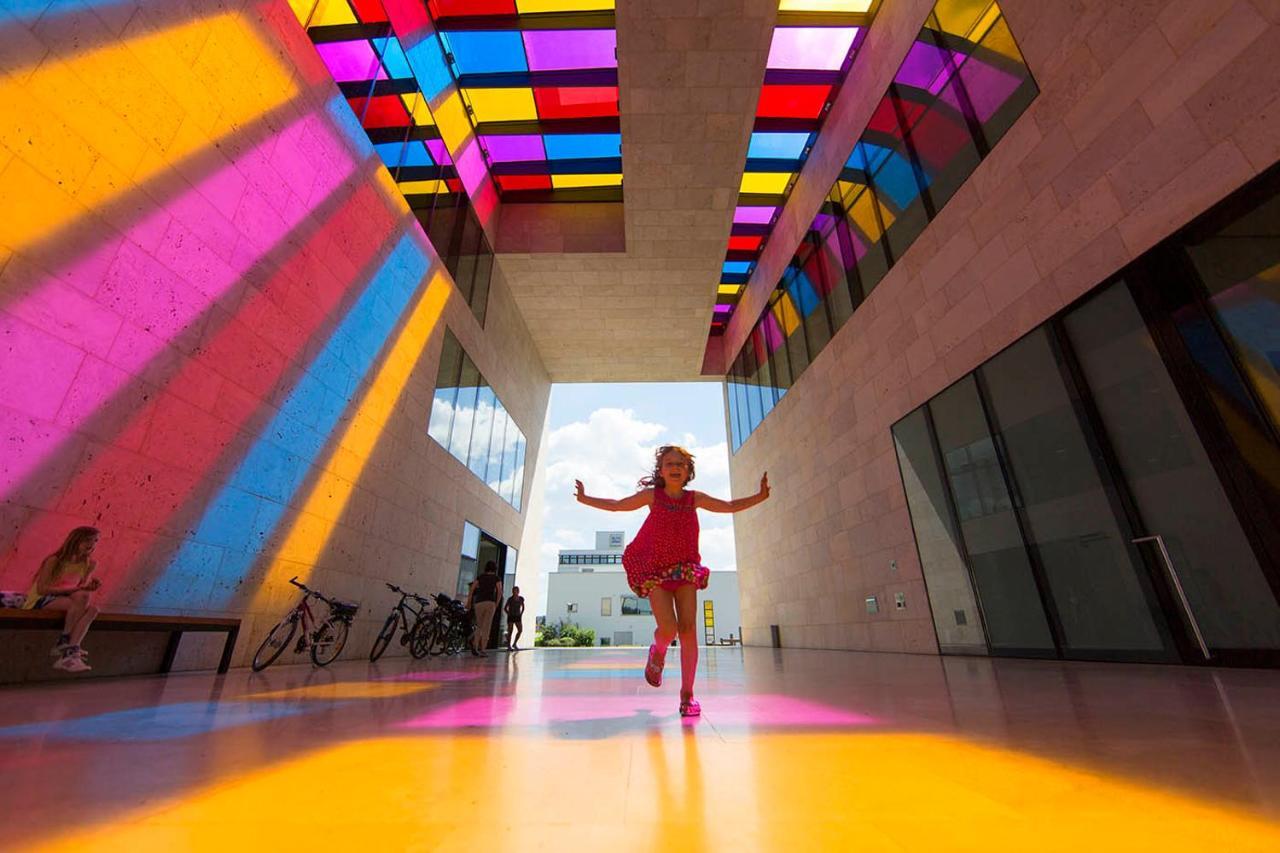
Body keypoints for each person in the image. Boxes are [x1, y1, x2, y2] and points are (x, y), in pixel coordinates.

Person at [575, 445, 769, 717]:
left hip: (685, 570)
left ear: (689, 471)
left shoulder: (694, 499)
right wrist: (585, 498)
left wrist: (760, 496)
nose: (675, 467)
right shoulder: (652, 497)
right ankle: (658, 651)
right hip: (656, 570)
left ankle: (687, 694)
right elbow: (619, 506)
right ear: (661, 471)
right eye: (669, 464)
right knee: (669, 629)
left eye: (681, 463)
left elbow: (729, 506)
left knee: (688, 629)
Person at [0, 527, 103, 672]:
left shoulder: (90, 564)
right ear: (76, 540)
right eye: (88, 540)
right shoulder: (55, 560)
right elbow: (42, 589)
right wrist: (73, 590)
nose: (92, 544)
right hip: (42, 598)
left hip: (67, 600)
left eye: (96, 541)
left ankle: (67, 646)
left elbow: (80, 588)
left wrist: (89, 586)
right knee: (83, 600)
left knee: (93, 609)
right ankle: (68, 648)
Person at [465, 561, 502, 658]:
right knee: (486, 626)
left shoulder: (480, 577)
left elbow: (472, 588)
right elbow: (500, 592)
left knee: (479, 625)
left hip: (479, 603)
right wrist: (496, 604)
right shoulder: (496, 578)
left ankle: (475, 645)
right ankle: (483, 649)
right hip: (490, 603)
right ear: (495, 569)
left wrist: (469, 601)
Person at [504, 585, 525, 651]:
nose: (514, 592)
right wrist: (508, 613)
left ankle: (515, 643)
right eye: (513, 591)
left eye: (516, 591)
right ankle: (509, 646)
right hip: (511, 616)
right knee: (510, 631)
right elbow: (505, 608)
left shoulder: (521, 598)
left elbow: (523, 606)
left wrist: (521, 613)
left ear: (518, 591)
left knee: (520, 630)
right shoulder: (510, 599)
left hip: (517, 616)